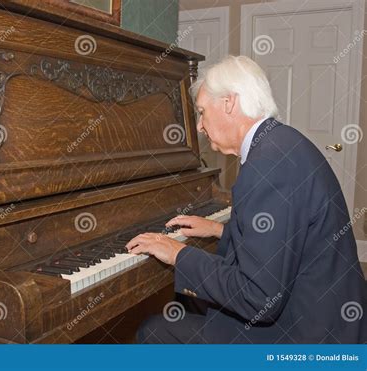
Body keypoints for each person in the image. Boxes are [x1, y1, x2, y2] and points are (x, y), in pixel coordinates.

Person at [126, 55, 366, 343]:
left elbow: (259, 298)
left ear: (228, 103)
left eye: (202, 112)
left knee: (154, 329)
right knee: (196, 301)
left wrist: (178, 253)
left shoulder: (268, 166)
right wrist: (220, 230)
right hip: (324, 313)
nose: (200, 126)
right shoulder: (282, 141)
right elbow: (284, 240)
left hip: (306, 334)